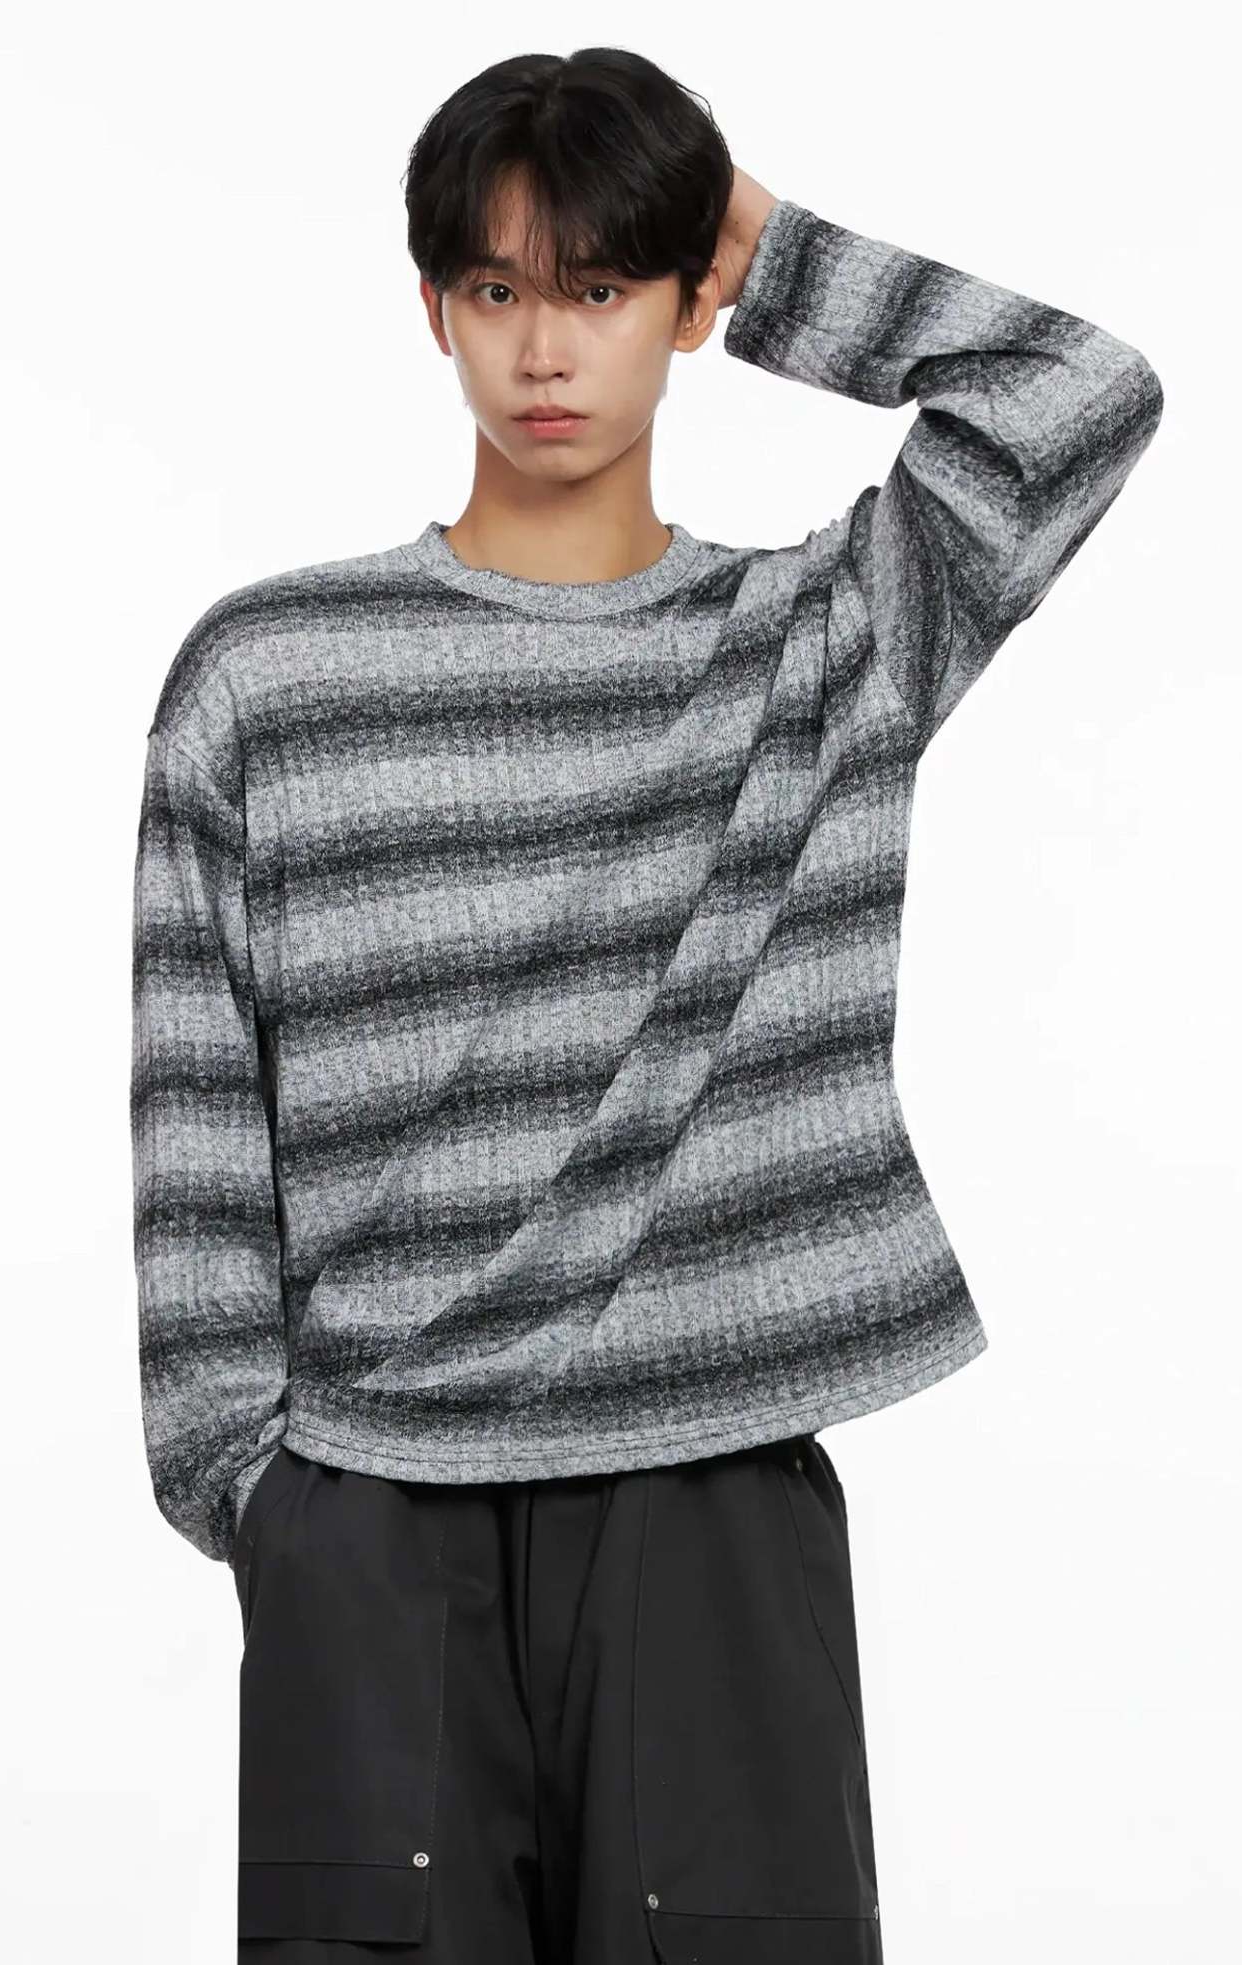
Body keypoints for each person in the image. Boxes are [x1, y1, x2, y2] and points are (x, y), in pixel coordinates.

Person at [129, 45, 1163, 1965]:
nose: (544, 349)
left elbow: (1076, 397)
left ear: (684, 308)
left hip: (711, 1512)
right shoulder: (271, 676)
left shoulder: (822, 643)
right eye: (497, 287)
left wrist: (755, 246)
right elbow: (195, 1101)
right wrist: (254, 1494)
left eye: (600, 286)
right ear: (432, 306)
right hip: (369, 1515)